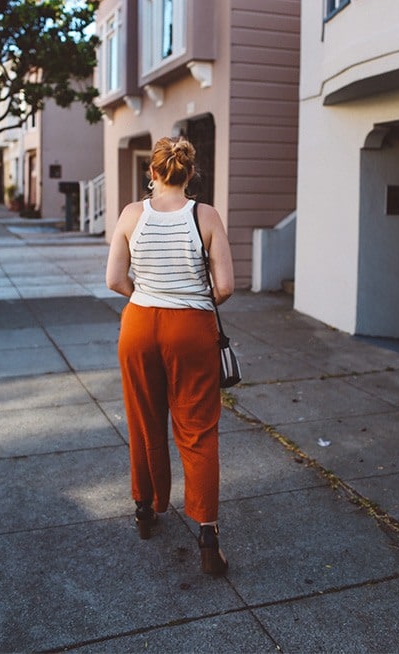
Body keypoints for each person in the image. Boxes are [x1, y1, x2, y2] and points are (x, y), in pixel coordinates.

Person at [105, 136, 235, 576]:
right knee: (198, 428)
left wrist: (147, 294)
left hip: (139, 324)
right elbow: (227, 286)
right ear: (189, 173)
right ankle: (207, 536)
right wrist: (192, 297)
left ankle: (147, 508)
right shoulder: (206, 215)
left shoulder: (130, 215)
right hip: (191, 329)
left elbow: (113, 279)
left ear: (152, 172)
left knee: (144, 418)